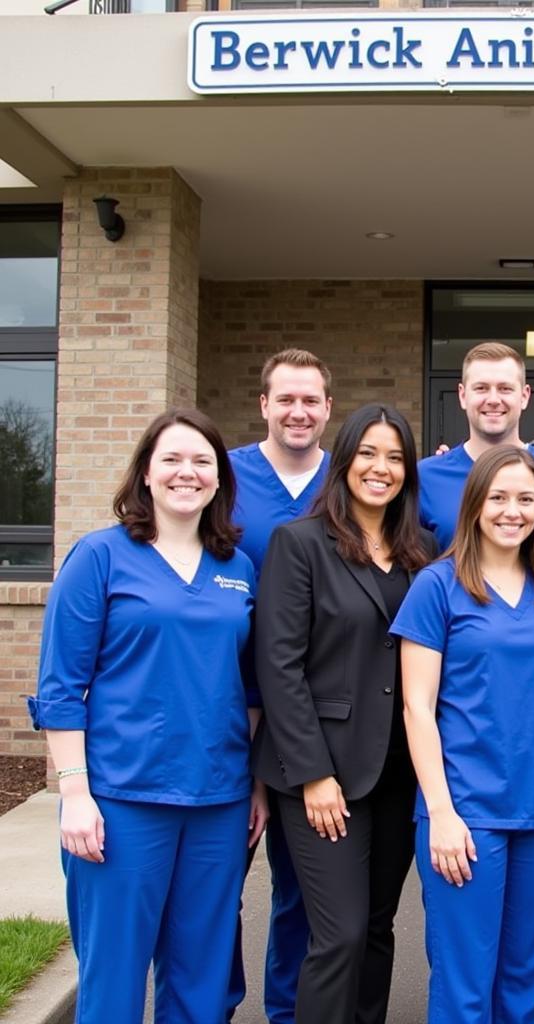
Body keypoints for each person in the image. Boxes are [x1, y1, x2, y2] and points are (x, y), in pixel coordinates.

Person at [28, 408, 264, 1023]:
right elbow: (59, 688)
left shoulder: (237, 569)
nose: (187, 473)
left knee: (203, 980)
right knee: (114, 977)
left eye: (202, 462)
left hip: (218, 802)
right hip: (121, 801)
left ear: (220, 479)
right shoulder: (100, 557)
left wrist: (257, 784)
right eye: (172, 459)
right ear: (147, 474)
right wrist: (75, 792)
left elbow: (253, 688)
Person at [251, 404, 435, 1024]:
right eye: (368, 454)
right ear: (345, 459)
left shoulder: (421, 552)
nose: (380, 469)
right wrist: (312, 774)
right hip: (322, 775)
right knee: (340, 934)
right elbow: (279, 667)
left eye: (394, 458)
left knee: (379, 927)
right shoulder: (299, 543)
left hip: (397, 772)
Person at [393, 445, 534, 1024]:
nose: (513, 511)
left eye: (525, 499)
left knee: (527, 983)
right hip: (467, 811)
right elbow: (416, 706)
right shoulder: (437, 586)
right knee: (465, 984)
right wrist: (442, 812)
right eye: (499, 497)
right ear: (475, 505)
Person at [227, 348, 333, 1023]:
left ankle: (287, 1013)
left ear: (328, 408)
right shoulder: (224, 476)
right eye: (285, 399)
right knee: (217, 883)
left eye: (311, 400)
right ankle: (213, 1005)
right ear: (264, 404)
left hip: (308, 716)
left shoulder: (348, 481)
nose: (298, 412)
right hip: (228, 709)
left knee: (300, 888)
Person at [418, 341, 534, 549]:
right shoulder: (425, 477)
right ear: (463, 396)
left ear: (524, 396)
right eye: (481, 388)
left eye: (505, 388)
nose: (493, 399)